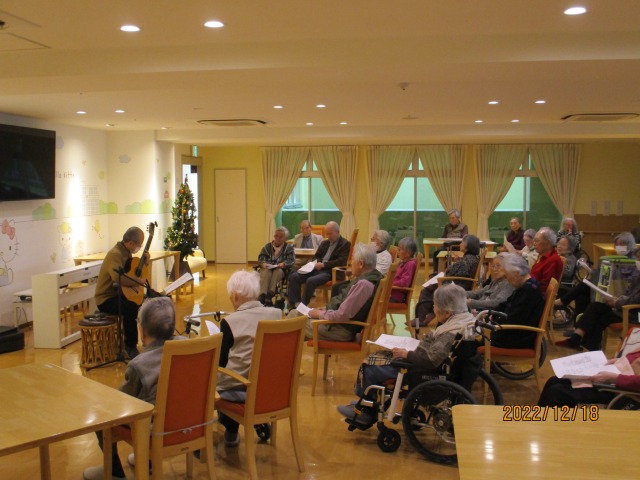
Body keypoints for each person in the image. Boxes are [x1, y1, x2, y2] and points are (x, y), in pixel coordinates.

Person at [336, 283, 474, 425]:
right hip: (427, 362)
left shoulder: (449, 333)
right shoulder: (464, 320)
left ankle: (366, 411)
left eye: (436, 305)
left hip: (419, 368)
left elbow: (430, 359)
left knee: (369, 367)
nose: (433, 308)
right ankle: (367, 402)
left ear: (447, 312)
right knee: (379, 357)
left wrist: (406, 354)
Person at [82, 297, 178, 480]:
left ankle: (114, 472)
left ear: (142, 331)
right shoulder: (189, 347)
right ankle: (147, 460)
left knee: (102, 414)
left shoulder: (140, 364)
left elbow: (122, 401)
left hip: (153, 427)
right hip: (186, 422)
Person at [217, 270, 283, 447]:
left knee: (211, 384)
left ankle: (228, 430)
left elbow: (220, 363)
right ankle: (253, 420)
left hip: (243, 388)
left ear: (235, 296)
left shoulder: (230, 322)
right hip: (272, 387)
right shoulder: (276, 314)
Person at [288, 243, 383, 341]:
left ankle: (286, 348)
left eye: (353, 260)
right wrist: (324, 310)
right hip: (337, 325)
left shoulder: (363, 285)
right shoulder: (369, 279)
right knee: (297, 314)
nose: (351, 263)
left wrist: (319, 314)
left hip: (338, 330)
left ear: (361, 264)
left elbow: (342, 315)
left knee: (293, 319)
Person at [556, 248, 640, 351]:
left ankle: (581, 342)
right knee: (597, 312)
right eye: (637, 258)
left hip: (634, 314)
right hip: (624, 308)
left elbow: (635, 300)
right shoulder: (638, 275)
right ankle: (587, 346)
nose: (637, 261)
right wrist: (617, 299)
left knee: (597, 311)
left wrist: (616, 302)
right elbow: (629, 294)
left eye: (639, 258)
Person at [555, 232, 638, 323]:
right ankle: (577, 326)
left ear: (629, 245)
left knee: (584, 285)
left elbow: (627, 283)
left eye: (622, 245)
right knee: (581, 297)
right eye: (617, 245)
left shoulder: (633, 263)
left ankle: (563, 301)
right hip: (608, 288)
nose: (619, 247)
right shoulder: (615, 259)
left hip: (618, 293)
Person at [94, 226, 149, 359]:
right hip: (106, 298)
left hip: (119, 294)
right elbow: (118, 278)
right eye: (139, 245)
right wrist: (138, 282)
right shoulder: (116, 254)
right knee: (130, 308)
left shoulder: (125, 252)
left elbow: (130, 273)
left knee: (142, 302)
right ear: (130, 243)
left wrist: (146, 262)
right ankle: (130, 346)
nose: (139, 248)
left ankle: (146, 340)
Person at [416, 234, 480, 326]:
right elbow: (460, 271)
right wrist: (457, 263)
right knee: (431, 285)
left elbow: (456, 273)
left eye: (462, 242)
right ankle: (428, 314)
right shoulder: (471, 258)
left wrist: (451, 268)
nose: (460, 244)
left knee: (426, 290)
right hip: (459, 283)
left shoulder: (469, 259)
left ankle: (422, 318)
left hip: (458, 285)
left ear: (468, 245)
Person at [538, 352, 640, 407]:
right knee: (554, 380)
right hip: (618, 375)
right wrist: (620, 360)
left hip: (622, 389)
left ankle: (551, 429)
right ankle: (539, 420)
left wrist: (614, 378)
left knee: (557, 393)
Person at [287, 221, 350, 308]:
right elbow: (316, 256)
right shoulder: (325, 243)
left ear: (338, 232)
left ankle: (302, 306)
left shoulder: (345, 244)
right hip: (317, 268)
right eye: (327, 234)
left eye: (330, 234)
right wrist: (315, 263)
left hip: (330, 271)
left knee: (311, 281)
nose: (328, 236)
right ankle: (295, 303)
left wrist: (324, 265)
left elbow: (341, 261)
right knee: (294, 276)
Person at [491, 253, 545, 349]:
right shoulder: (527, 284)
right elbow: (507, 304)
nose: (507, 279)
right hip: (515, 332)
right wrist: (492, 314)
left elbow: (513, 318)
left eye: (507, 276)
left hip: (518, 338)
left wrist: (493, 321)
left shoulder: (528, 290)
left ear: (516, 274)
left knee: (471, 342)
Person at [257, 226, 295, 305]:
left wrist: (283, 264)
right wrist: (263, 263)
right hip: (268, 268)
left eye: (280, 237)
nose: (278, 238)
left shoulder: (288, 248)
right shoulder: (268, 246)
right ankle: (262, 294)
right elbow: (261, 257)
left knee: (277, 271)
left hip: (280, 269)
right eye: (276, 236)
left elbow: (291, 260)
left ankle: (270, 294)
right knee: (266, 272)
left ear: (285, 238)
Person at [431, 209, 469, 275]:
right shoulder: (447, 226)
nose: (451, 220)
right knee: (436, 253)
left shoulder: (464, 226)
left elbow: (464, 239)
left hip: (457, 247)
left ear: (458, 218)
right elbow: (443, 237)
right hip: (447, 246)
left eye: (453, 218)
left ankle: (447, 272)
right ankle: (436, 272)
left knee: (444, 253)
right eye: (450, 218)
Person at [530, 226, 563, 294]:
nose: (534, 243)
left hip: (536, 294)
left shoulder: (553, 260)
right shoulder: (541, 255)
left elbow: (544, 288)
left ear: (547, 243)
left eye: (537, 240)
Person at [390, 237, 419, 303]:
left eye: (400, 249)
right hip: (391, 293)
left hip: (395, 296)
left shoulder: (410, 264)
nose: (398, 251)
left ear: (408, 253)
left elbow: (404, 283)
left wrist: (390, 283)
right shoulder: (403, 263)